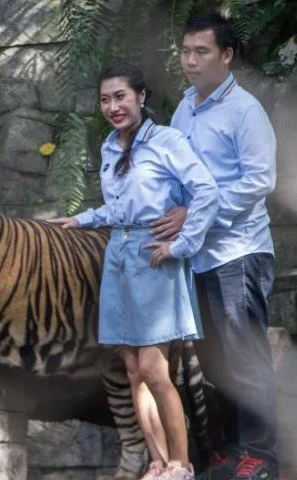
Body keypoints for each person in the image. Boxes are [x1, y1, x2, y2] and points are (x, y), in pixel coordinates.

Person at [50, 63, 219, 480]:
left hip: (154, 256)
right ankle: (158, 463)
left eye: (120, 96)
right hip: (119, 256)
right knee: (131, 371)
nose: (113, 106)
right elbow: (119, 209)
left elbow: (207, 193)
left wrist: (181, 244)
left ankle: (181, 464)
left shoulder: (167, 141)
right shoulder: (110, 146)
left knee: (154, 369)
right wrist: (83, 219)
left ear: (141, 97)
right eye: (105, 99)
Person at [158, 12, 279, 480]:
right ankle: (233, 449)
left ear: (226, 55)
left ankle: (261, 456)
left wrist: (197, 213)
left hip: (238, 252)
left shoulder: (245, 111)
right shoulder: (185, 106)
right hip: (199, 253)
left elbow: (259, 182)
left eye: (201, 51)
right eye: (186, 51)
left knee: (244, 357)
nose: (190, 61)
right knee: (217, 362)